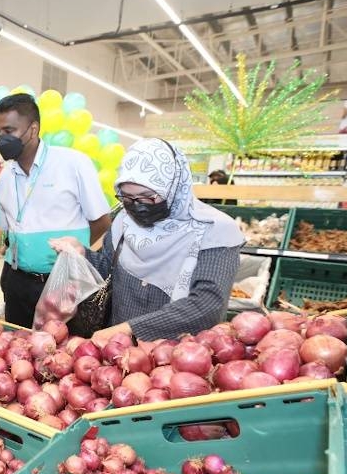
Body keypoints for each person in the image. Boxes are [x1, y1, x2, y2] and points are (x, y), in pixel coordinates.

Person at [51, 138, 244, 343]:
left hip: (178, 357)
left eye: (147, 197)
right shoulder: (123, 222)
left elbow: (207, 306)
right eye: (127, 197)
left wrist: (131, 329)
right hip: (116, 352)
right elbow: (109, 268)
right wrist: (82, 253)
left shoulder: (214, 232)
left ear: (173, 188)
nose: (137, 206)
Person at [0, 93, 111, 328]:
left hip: (64, 283)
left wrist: (73, 256)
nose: (1, 139)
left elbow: (102, 222)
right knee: (20, 350)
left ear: (33, 129)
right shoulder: (6, 175)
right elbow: (8, 229)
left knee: (63, 354)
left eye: (9, 131)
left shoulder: (73, 164)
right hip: (17, 281)